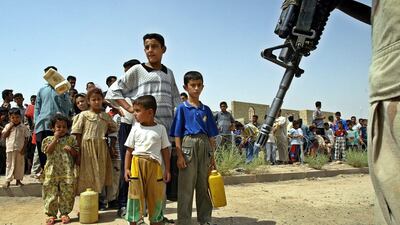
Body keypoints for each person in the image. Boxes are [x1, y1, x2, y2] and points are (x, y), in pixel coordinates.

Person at [105, 34, 180, 222]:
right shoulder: (138, 70)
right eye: (146, 47)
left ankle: (158, 216)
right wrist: (129, 107)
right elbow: (113, 91)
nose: (150, 50)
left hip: (163, 132)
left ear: (164, 49)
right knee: (135, 175)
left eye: (154, 46)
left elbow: (176, 100)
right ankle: (134, 215)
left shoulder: (169, 73)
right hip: (143, 132)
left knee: (160, 178)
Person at [169, 71, 218, 225]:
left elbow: (211, 135)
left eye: (199, 85)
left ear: (203, 87)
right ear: (186, 87)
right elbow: (177, 134)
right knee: (186, 186)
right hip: (188, 145)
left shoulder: (206, 110)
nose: (196, 88)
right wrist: (180, 155)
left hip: (204, 146)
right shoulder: (181, 109)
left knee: (204, 185)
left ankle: (205, 219)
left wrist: (212, 156)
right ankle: (184, 221)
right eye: (193, 85)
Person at [124, 95, 171, 225]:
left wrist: (167, 169)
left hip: (155, 167)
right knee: (135, 195)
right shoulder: (135, 128)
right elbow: (129, 150)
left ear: (150, 112)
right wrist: (126, 169)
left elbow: (165, 150)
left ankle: (155, 220)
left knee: (155, 195)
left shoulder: (160, 129)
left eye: (138, 111)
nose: (134, 114)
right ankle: (134, 220)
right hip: (136, 165)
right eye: (134, 111)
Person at [71, 88, 117, 200]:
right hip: (86, 148)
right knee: (88, 174)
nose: (96, 102)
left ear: (102, 100)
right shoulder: (83, 115)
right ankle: (87, 201)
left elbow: (113, 129)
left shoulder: (106, 116)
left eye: (99, 99)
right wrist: (78, 152)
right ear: (88, 101)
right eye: (93, 99)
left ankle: (99, 201)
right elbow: (77, 133)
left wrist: (109, 144)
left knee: (100, 172)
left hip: (101, 148)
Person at [41, 114, 78, 225]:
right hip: (51, 172)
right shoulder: (48, 139)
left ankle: (64, 213)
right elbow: (48, 151)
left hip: (66, 172)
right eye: (58, 127)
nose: (61, 129)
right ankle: (51, 215)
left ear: (67, 128)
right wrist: (55, 139)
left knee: (67, 193)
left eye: (64, 127)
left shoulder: (71, 139)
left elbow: (76, 153)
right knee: (50, 193)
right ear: (53, 128)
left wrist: (71, 150)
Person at [35, 66, 72, 169]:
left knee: (58, 150)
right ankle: (45, 174)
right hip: (42, 125)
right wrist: (36, 121)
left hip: (59, 126)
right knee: (43, 151)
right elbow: (37, 107)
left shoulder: (63, 88)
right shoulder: (42, 90)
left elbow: (67, 107)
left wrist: (63, 93)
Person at [1, 108, 30, 187]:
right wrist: (10, 127)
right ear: (10, 118)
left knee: (19, 165)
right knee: (9, 164)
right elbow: (4, 136)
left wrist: (24, 148)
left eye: (17, 117)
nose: (15, 119)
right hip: (10, 149)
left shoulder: (23, 127)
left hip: (20, 149)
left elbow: (26, 138)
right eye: (13, 118)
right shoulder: (7, 126)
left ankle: (18, 180)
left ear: (20, 117)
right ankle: (8, 181)